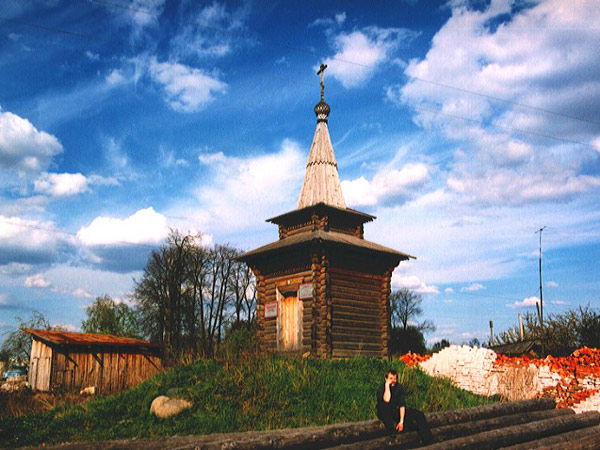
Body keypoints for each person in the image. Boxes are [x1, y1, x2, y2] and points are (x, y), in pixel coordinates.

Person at [376, 369, 434, 445]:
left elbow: (402, 405)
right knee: (384, 407)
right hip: (385, 412)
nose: (393, 380)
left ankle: (428, 440)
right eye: (390, 378)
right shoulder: (381, 388)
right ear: (386, 378)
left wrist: (401, 421)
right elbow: (386, 400)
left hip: (395, 411)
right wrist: (387, 386)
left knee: (418, 414)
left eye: (394, 378)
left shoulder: (399, 387)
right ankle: (391, 430)